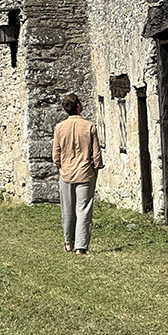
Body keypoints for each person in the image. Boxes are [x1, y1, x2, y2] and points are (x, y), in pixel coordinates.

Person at [52, 93, 104, 255]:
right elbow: (96, 153)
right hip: (85, 172)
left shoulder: (60, 128)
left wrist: (60, 166)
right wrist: (96, 168)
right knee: (83, 209)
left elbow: (56, 153)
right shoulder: (89, 126)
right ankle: (81, 246)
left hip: (66, 173)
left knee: (67, 209)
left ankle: (68, 243)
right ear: (78, 106)